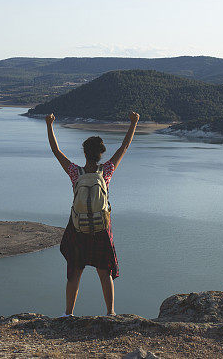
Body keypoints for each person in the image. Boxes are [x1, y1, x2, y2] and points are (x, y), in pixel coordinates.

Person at [45, 111, 140, 316]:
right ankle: (111, 313)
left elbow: (55, 150)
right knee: (104, 272)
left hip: (78, 227)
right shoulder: (105, 172)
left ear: (85, 153)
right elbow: (124, 147)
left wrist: (49, 124)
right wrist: (134, 123)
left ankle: (68, 314)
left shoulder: (75, 173)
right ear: (101, 154)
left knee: (74, 273)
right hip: (101, 228)